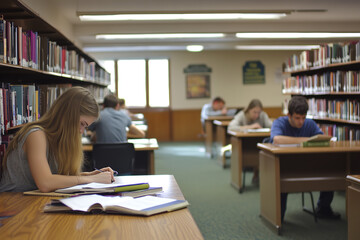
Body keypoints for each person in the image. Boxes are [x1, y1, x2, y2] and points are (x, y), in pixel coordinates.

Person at [0, 87, 115, 192]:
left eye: (85, 127)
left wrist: (88, 175)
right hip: (13, 204)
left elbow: (56, 178)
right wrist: (92, 179)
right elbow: (45, 183)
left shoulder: (59, 139)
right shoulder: (36, 135)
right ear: (68, 115)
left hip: (33, 201)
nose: (81, 131)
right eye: (81, 124)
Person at [270, 96, 340, 221]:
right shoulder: (280, 122)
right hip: (285, 165)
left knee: (330, 170)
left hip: (307, 164)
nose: (301, 122)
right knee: (281, 179)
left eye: (303, 117)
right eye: (297, 118)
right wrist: (307, 140)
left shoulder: (309, 123)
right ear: (289, 115)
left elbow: (321, 138)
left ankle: (323, 208)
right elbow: (277, 139)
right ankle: (278, 215)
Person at [228, 99, 272, 183]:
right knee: (250, 155)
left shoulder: (262, 115)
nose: (257, 115)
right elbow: (231, 127)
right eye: (254, 112)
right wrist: (250, 127)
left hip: (260, 144)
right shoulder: (242, 115)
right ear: (248, 110)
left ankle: (259, 174)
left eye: (258, 112)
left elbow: (271, 126)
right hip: (245, 145)